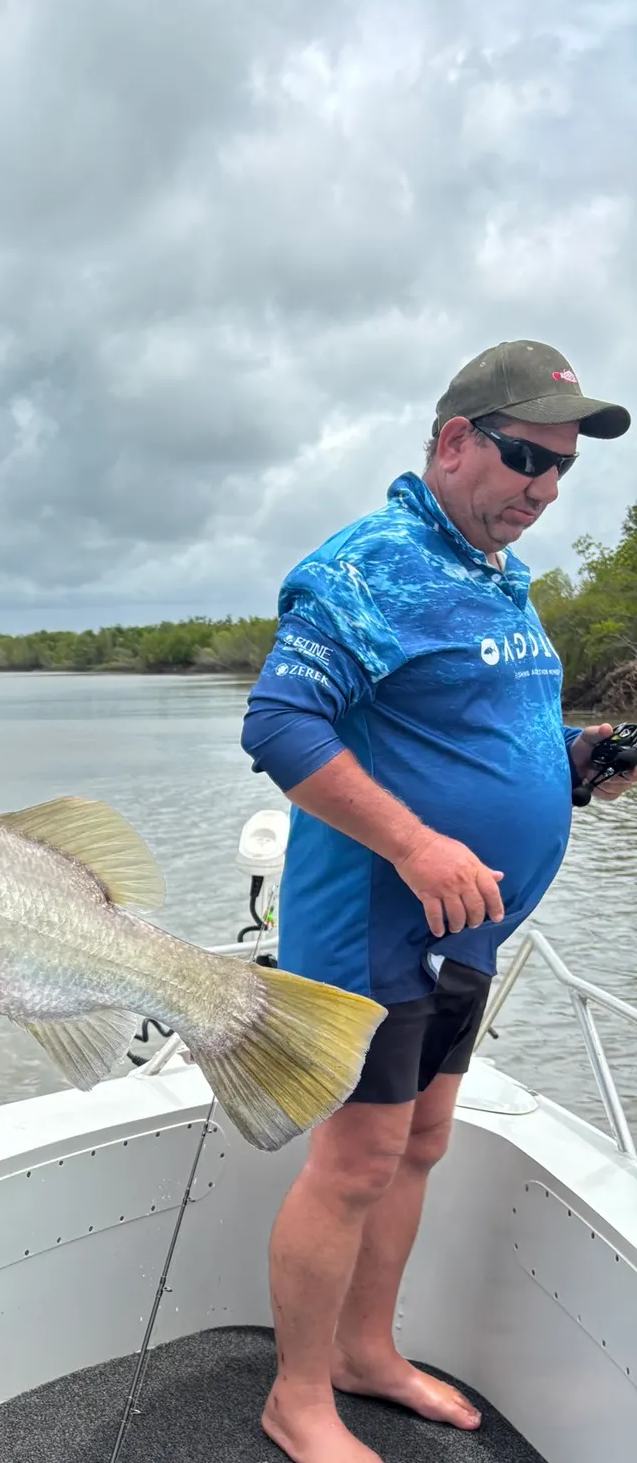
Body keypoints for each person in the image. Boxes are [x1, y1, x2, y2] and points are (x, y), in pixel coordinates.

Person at [240, 341, 634, 1463]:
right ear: (454, 440)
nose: (543, 489)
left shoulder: (494, 575)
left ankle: (368, 1352)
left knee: (421, 1142)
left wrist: (579, 759)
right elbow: (279, 724)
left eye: (561, 471)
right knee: (357, 1160)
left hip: (469, 930)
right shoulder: (369, 565)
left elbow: (475, 735)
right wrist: (414, 845)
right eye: (524, 457)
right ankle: (299, 1399)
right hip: (372, 926)